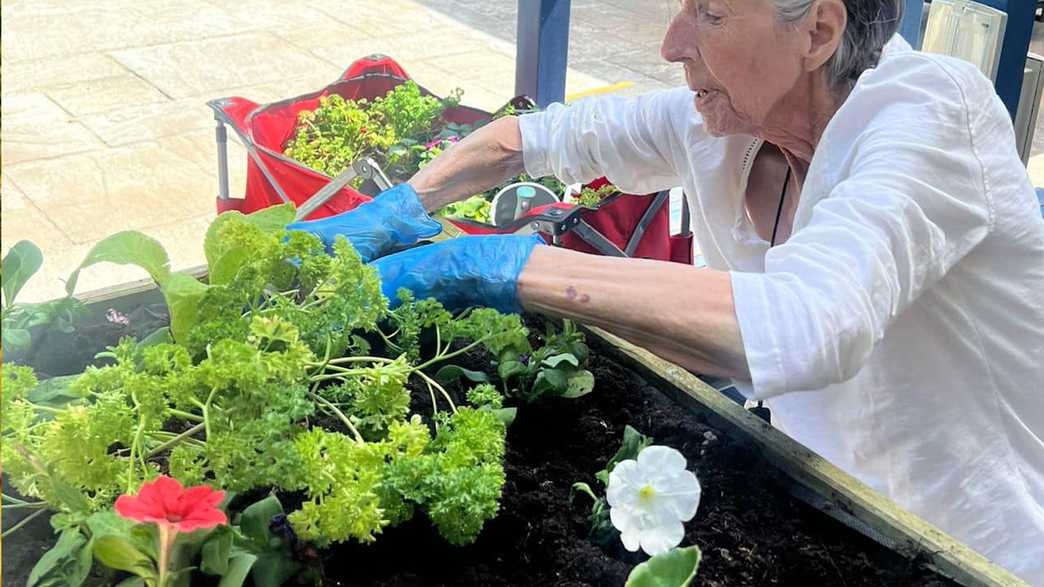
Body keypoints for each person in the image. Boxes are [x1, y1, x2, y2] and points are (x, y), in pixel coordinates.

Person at [288, 0, 1044, 581]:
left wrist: (495, 268)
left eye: (710, 14)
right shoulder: (728, 120)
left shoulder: (931, 116)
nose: (672, 42)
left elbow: (815, 322)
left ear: (818, 30)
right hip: (822, 501)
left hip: (971, 546)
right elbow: (538, 138)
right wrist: (402, 206)